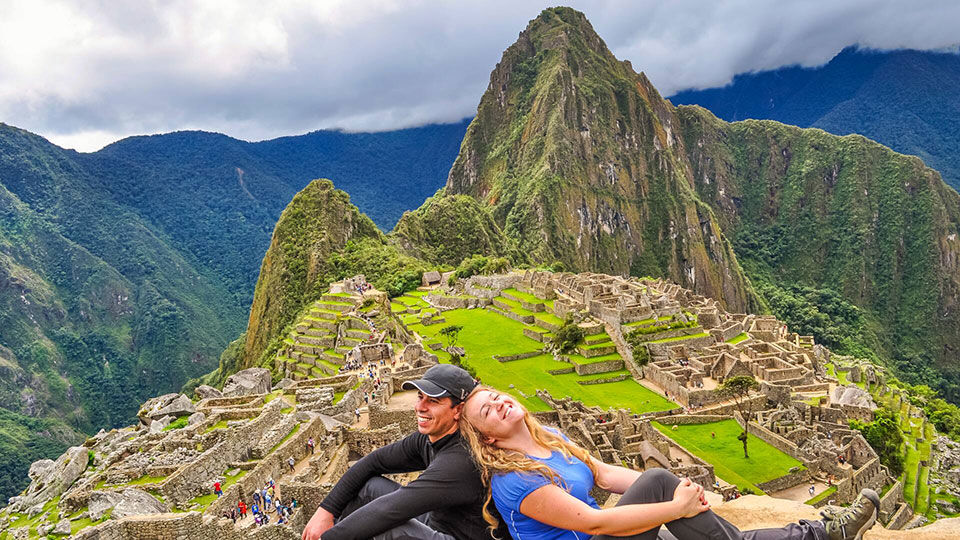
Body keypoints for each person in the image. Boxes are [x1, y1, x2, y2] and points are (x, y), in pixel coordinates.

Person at [460, 386, 881, 540]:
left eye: (496, 396)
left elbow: (603, 474)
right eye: (486, 410)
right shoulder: (513, 478)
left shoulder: (550, 438)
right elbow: (595, 523)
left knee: (700, 522)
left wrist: (683, 495)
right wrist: (674, 503)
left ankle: (825, 532)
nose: (498, 403)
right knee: (663, 482)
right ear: (487, 437)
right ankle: (826, 532)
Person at [301, 364, 507, 540]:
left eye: (433, 401)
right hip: (438, 520)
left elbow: (388, 510)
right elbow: (374, 461)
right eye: (420, 397)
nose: (420, 407)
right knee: (367, 488)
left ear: (458, 410)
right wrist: (326, 510)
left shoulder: (461, 459)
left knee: (388, 528)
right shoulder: (430, 438)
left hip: (458, 536)